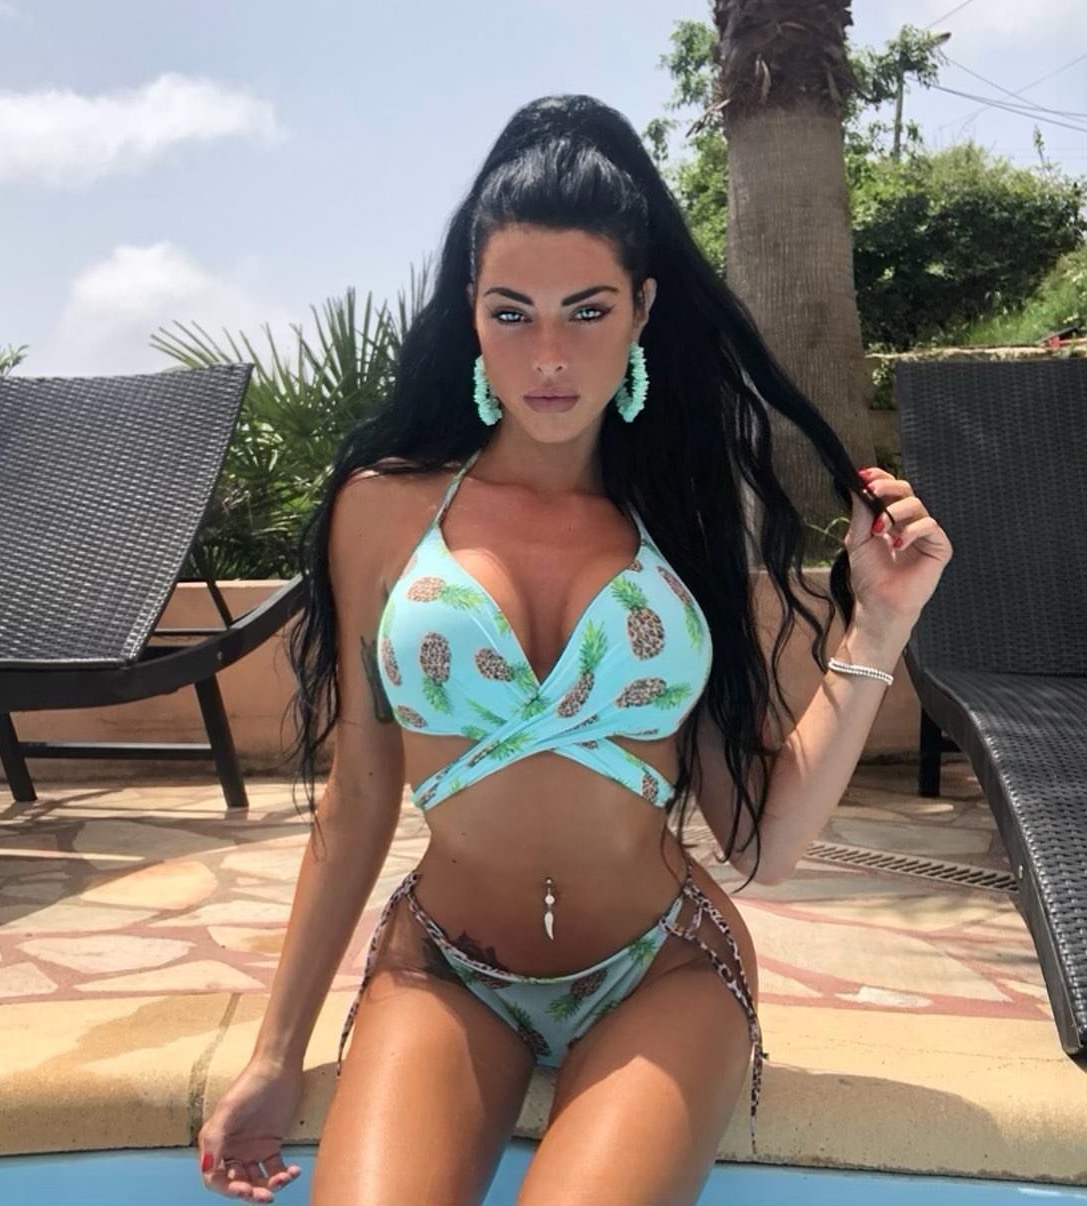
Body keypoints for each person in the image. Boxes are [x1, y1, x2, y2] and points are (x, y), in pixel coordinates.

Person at [197, 93, 952, 1204]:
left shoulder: (682, 523)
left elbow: (765, 840)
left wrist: (879, 620)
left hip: (661, 970)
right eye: (511, 313)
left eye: (586, 310)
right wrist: (274, 1053)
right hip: (445, 967)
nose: (547, 356)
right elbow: (357, 798)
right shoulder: (383, 510)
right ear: (470, 310)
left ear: (642, 307)